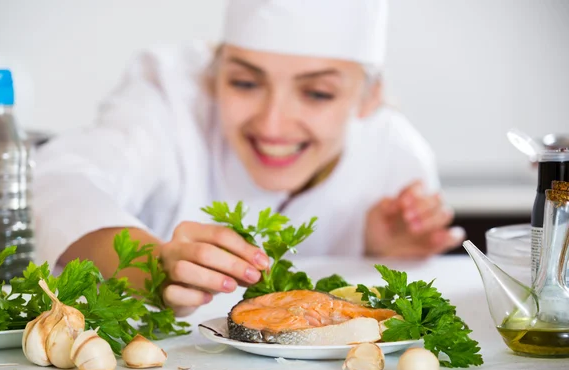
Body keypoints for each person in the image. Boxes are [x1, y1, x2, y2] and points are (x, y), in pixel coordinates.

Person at [34, 0, 465, 317]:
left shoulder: (395, 158)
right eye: (244, 82)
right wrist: (154, 265)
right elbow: (56, 182)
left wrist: (375, 252)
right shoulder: (169, 96)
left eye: (317, 93)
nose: (273, 124)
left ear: (370, 97)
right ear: (214, 73)